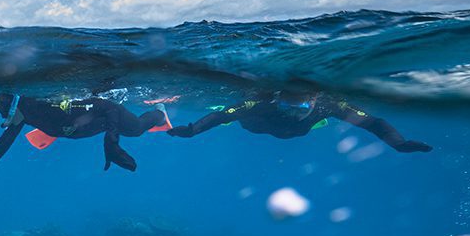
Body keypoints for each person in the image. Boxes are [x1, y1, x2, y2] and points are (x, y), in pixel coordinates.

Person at [0, 93, 171, 186]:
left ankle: (160, 113)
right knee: (58, 128)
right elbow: (2, 144)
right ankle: (55, 131)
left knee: (136, 130)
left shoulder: (52, 104)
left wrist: (111, 141)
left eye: (3, 110)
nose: (1, 115)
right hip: (65, 128)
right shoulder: (23, 113)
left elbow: (109, 107)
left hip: (101, 120)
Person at [167, 92, 432, 153]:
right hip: (254, 123)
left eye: (301, 107)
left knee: (300, 126)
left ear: (315, 100)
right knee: (235, 114)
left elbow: (373, 122)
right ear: (278, 99)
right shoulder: (262, 102)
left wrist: (399, 143)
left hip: (298, 132)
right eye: (286, 106)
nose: (292, 112)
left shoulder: (331, 104)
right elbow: (222, 115)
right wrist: (193, 130)